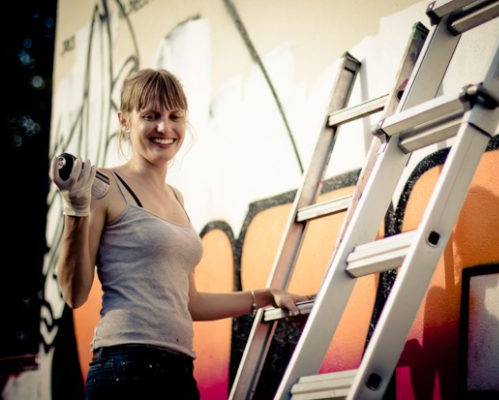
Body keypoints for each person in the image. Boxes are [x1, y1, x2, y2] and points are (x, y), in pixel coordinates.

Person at [50, 68, 308, 399]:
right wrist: (75, 209)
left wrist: (268, 296)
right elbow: (74, 293)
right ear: (124, 121)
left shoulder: (177, 198)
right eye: (150, 116)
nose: (164, 128)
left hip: (179, 370)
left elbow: (192, 303)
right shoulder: (103, 187)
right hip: (125, 369)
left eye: (175, 116)